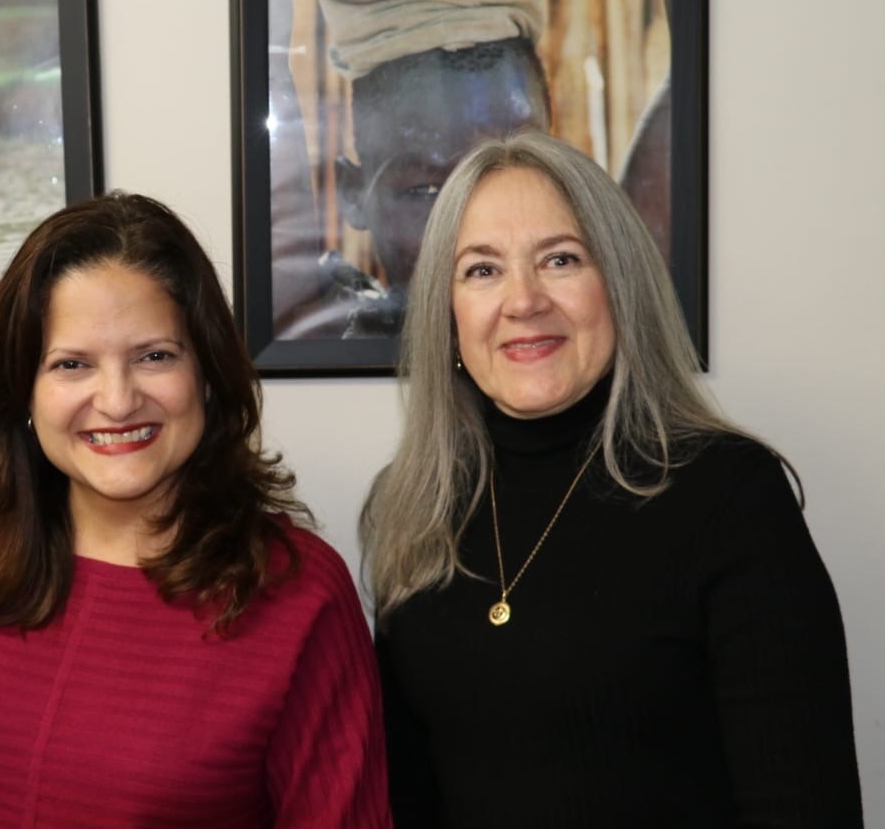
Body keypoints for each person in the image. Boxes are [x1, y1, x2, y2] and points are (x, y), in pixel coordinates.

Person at [0, 192, 392, 827]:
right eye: (72, 365)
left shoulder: (301, 594)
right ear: (25, 389)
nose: (117, 401)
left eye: (154, 356)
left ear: (205, 373)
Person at [360, 131, 862, 826]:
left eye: (560, 260)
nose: (523, 300)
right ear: (446, 315)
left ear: (620, 285)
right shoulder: (412, 507)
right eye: (481, 270)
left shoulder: (731, 497)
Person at [277, 0, 551, 338]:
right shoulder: (329, 333)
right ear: (354, 194)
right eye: (427, 191)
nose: (477, 229)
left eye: (513, 176)